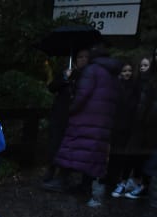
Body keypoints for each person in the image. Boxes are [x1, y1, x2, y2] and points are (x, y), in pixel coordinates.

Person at [43, 43, 122, 207]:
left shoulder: (92, 71)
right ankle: (85, 185)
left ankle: (62, 180)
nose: (85, 59)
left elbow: (83, 95)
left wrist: (72, 109)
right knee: (93, 152)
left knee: (72, 148)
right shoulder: (112, 74)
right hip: (102, 121)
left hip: (86, 119)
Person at [43, 48, 89, 182]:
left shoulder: (88, 76)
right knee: (54, 143)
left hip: (76, 117)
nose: (83, 60)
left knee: (69, 146)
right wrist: (65, 77)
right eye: (80, 57)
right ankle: (51, 169)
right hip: (60, 115)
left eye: (86, 57)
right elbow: (52, 87)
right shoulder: (67, 73)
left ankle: (64, 174)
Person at [126, 51, 157, 199]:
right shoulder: (144, 80)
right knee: (140, 155)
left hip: (151, 125)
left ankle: (144, 185)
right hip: (143, 123)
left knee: (149, 157)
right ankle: (138, 182)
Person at [107, 60, 141, 197]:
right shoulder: (116, 85)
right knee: (113, 152)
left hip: (127, 124)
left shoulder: (134, 87)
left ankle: (117, 178)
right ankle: (110, 177)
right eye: (124, 71)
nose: (127, 73)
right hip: (116, 123)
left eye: (129, 71)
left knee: (121, 154)